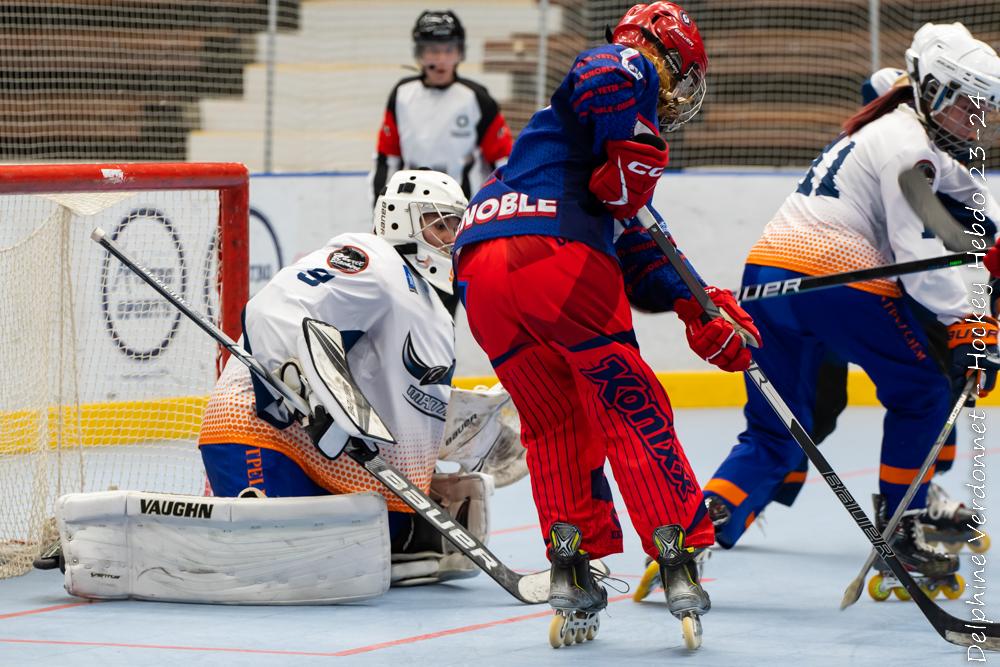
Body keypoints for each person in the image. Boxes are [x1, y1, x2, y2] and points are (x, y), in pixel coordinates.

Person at [453, 2, 760, 649]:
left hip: (481, 270)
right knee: (630, 405)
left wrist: (699, 305)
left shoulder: (580, 153)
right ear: (663, 55)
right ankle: (676, 554)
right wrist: (633, 136)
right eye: (683, 74)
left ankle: (572, 563)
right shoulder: (627, 73)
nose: (681, 91)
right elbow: (602, 71)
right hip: (552, 256)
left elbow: (646, 261)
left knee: (554, 425)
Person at [701, 22, 1000, 599]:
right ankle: (909, 531)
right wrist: (968, 320)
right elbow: (919, 250)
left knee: (779, 425)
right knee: (924, 391)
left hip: (766, 276)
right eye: (971, 103)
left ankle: (696, 531)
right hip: (837, 280)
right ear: (934, 91)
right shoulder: (909, 148)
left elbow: (961, 202)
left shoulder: (896, 130)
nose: (979, 118)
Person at [198, 169, 492, 587]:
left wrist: (470, 432)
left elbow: (404, 394)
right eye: (438, 223)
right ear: (399, 219)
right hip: (264, 435)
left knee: (415, 541)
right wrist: (306, 389)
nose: (449, 238)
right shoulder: (371, 258)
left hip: (342, 468)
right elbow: (276, 308)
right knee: (280, 566)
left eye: (454, 226)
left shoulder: (435, 311)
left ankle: (400, 532)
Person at [370, 10, 513, 200]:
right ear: (419, 54)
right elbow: (387, 159)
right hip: (408, 205)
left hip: (463, 206)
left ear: (459, 53)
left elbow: (502, 160)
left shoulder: (478, 99)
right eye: (433, 50)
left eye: (449, 50)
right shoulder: (401, 95)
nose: (441, 60)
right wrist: (380, 207)